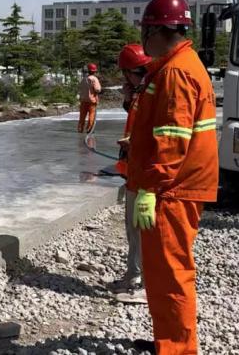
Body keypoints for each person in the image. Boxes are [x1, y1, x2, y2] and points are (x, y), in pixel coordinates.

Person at [127, 0, 218, 355]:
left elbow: (172, 141)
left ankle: (178, 349)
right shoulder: (178, 65)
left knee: (170, 274)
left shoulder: (176, 72)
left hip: (173, 190)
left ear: (156, 30)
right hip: (177, 185)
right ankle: (169, 340)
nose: (143, 40)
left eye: (145, 31)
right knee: (162, 272)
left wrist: (150, 188)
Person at [111, 44, 152, 305]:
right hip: (134, 170)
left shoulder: (150, 92)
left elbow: (154, 132)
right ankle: (134, 274)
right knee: (133, 228)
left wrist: (133, 143)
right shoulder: (140, 93)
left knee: (141, 229)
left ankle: (145, 283)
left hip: (145, 172)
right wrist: (128, 99)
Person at [78, 63, 101, 133]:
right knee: (91, 115)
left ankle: (80, 128)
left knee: (82, 116)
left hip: (83, 100)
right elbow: (98, 89)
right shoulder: (94, 79)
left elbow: (80, 88)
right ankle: (89, 129)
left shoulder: (83, 79)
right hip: (92, 100)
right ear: (94, 71)